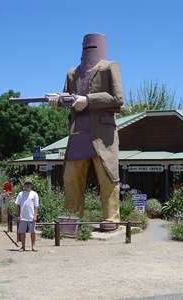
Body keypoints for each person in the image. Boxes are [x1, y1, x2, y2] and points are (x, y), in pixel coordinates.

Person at [47, 33, 123, 231]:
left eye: (91, 46)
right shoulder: (72, 73)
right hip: (77, 134)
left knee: (108, 177)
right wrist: (57, 98)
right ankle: (72, 218)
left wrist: (88, 100)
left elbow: (118, 99)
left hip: (102, 136)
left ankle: (111, 218)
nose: (88, 50)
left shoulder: (110, 66)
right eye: (86, 47)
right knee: (71, 177)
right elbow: (67, 97)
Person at [15, 178, 39, 251]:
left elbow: (36, 206)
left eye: (29, 184)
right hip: (23, 216)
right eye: (26, 184)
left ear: (31, 185)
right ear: (24, 185)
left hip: (31, 216)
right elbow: (18, 205)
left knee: (33, 232)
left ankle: (33, 246)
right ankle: (23, 246)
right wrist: (18, 216)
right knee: (22, 232)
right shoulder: (20, 194)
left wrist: (35, 216)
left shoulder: (34, 194)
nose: (28, 185)